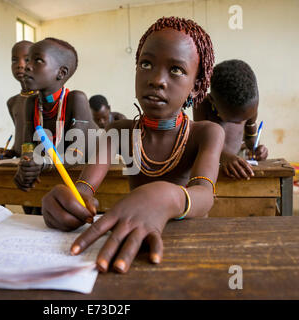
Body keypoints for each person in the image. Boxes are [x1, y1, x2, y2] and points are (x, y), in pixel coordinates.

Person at [41, 17, 224, 273]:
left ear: (196, 85)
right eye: (146, 64)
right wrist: (69, 200)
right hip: (132, 240)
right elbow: (84, 187)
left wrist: (164, 195)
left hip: (187, 243)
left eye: (176, 70)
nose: (157, 79)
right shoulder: (119, 132)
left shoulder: (206, 133)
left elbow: (205, 195)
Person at [14, 37, 98, 197]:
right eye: (28, 60)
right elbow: (28, 146)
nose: (27, 66)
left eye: (37, 61)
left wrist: (42, 163)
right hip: (56, 172)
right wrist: (26, 163)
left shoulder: (76, 99)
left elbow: (76, 154)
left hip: (91, 175)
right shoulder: (31, 103)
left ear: (61, 72)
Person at [194, 59, 268, 180]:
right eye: (234, 120)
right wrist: (224, 157)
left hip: (238, 161)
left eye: (245, 118)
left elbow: (250, 137)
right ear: (213, 101)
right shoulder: (203, 105)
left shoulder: (250, 108)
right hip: (209, 162)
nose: (240, 123)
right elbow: (201, 143)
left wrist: (257, 149)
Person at [0, 40, 36, 160]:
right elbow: (22, 136)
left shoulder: (46, 100)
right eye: (14, 60)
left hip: (41, 165)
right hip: (20, 163)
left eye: (27, 59)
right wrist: (11, 152)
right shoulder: (12, 102)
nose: (20, 65)